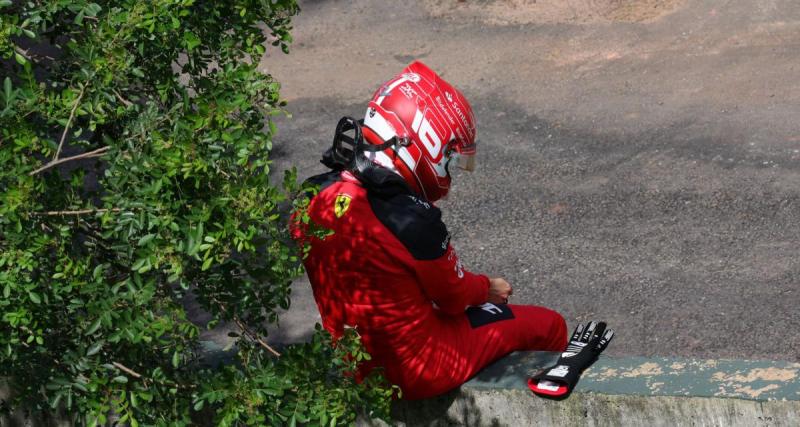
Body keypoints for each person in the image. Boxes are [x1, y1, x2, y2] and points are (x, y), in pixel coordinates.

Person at [291, 61, 569, 400]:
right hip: (420, 369)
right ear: (422, 144)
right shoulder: (412, 219)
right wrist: (488, 287)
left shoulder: (310, 196)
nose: (448, 177)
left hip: (356, 364)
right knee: (549, 325)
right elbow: (453, 299)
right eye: (450, 160)